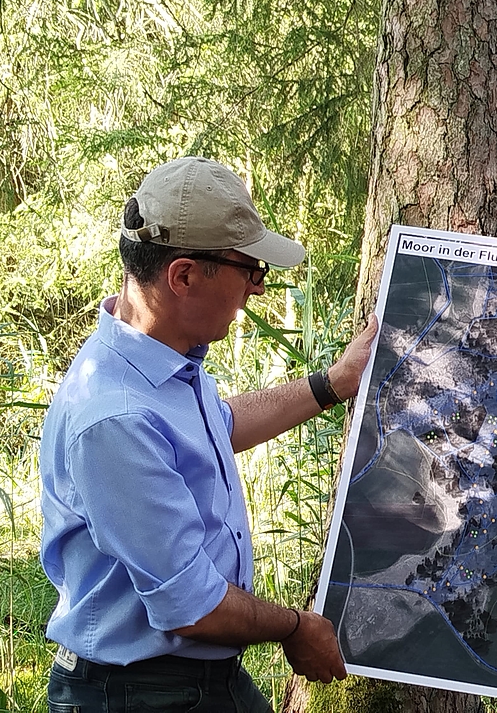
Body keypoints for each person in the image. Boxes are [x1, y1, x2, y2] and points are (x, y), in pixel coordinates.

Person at [40, 156, 376, 711]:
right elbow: (191, 607)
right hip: (138, 696)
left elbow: (220, 426)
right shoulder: (115, 417)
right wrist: (295, 627)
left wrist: (333, 384)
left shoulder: (161, 365)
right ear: (184, 276)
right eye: (250, 270)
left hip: (190, 684)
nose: (257, 290)